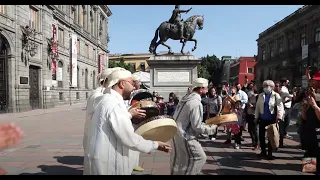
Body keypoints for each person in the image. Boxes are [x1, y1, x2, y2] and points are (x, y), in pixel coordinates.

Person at [83, 69, 171, 175]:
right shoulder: (114, 103)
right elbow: (128, 138)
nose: (134, 87)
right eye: (131, 83)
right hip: (109, 160)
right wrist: (155, 145)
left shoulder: (107, 100)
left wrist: (128, 114)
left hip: (102, 156)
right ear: (122, 83)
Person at [170, 78, 217, 175]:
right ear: (201, 89)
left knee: (180, 159)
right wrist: (212, 128)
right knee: (200, 157)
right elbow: (197, 126)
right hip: (186, 135)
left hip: (176, 133)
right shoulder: (196, 102)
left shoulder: (185, 98)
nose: (207, 89)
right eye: (206, 88)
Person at [255, 80, 284, 160]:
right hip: (262, 118)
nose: (266, 87)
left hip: (271, 119)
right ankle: (263, 151)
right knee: (261, 136)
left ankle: (270, 153)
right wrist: (256, 117)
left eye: (268, 86)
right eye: (265, 86)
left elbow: (280, 106)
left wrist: (279, 117)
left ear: (272, 87)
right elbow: (257, 107)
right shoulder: (260, 95)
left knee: (271, 136)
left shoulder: (276, 95)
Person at [279, 78, 293, 147]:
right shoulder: (282, 88)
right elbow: (286, 95)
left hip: (288, 107)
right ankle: (280, 141)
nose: (288, 83)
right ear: (284, 82)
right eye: (287, 82)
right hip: (284, 107)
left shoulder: (287, 88)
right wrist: (292, 96)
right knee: (282, 124)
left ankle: (284, 134)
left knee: (287, 122)